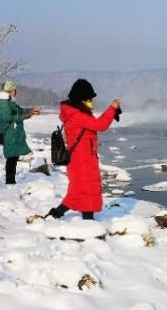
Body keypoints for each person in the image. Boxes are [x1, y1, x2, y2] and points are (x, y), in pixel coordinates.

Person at [46, 79, 121, 220]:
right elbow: (100, 125)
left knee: (79, 191)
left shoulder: (77, 113)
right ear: (81, 100)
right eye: (89, 99)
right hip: (82, 161)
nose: (91, 102)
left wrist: (112, 111)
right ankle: (88, 224)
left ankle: (56, 214)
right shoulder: (77, 115)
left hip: (83, 159)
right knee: (86, 192)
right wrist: (112, 108)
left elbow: (94, 126)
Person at [0, 81, 41, 185]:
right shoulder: (4, 103)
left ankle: (11, 181)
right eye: (15, 90)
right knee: (11, 157)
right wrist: (25, 116)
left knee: (13, 156)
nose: (16, 92)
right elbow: (7, 118)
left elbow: (20, 111)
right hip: (9, 132)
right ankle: (10, 181)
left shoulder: (9, 102)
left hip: (13, 132)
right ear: (10, 90)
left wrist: (31, 111)